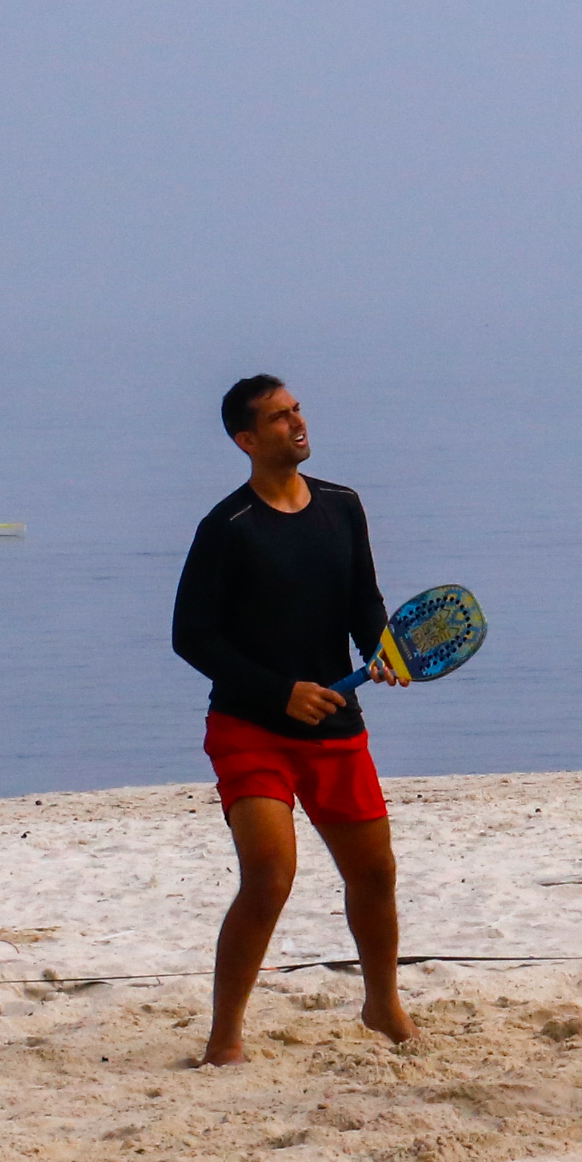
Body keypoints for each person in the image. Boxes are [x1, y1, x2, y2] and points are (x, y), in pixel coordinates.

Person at [171, 374, 412, 1062]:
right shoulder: (227, 528)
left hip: (336, 725)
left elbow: (363, 602)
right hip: (252, 730)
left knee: (376, 875)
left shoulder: (343, 506)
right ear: (247, 440)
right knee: (271, 874)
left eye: (297, 409)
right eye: (278, 417)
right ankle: (225, 1036)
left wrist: (381, 648)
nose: (296, 422)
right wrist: (281, 693)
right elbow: (192, 637)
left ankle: (382, 1005)